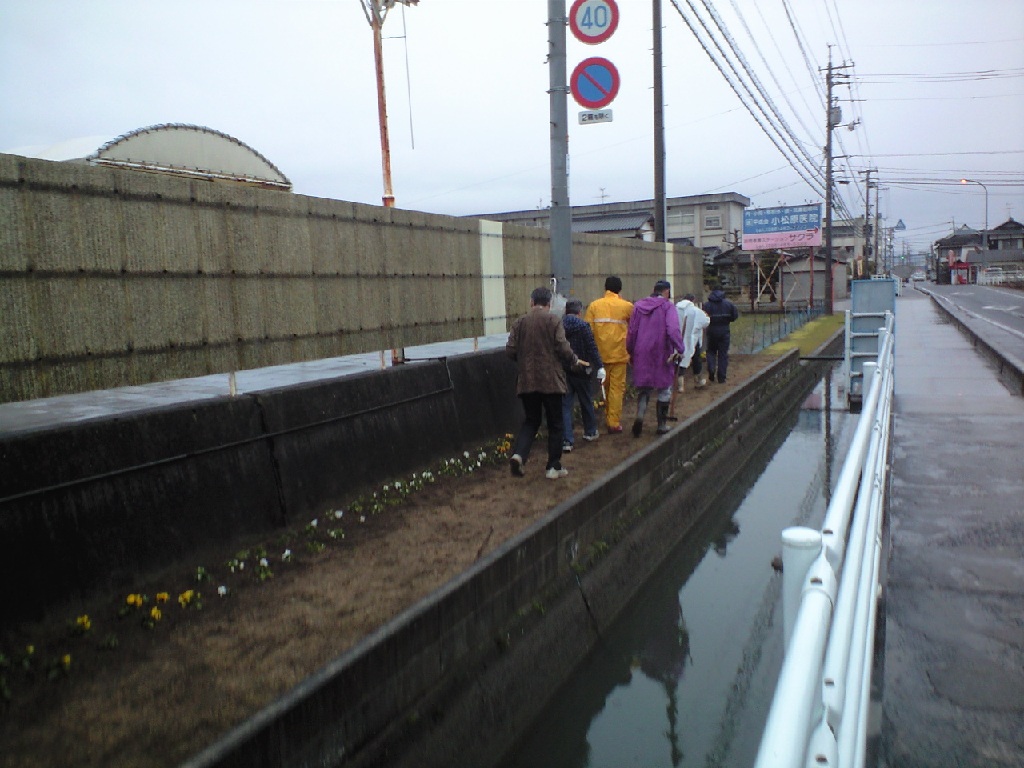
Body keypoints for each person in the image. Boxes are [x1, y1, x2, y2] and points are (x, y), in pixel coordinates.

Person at [506, 286, 589, 480]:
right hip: (551, 381)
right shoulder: (553, 321)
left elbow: (510, 351)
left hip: (527, 381)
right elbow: (562, 347)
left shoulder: (520, 322)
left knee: (531, 420)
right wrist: (574, 360)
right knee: (556, 423)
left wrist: (524, 360)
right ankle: (553, 466)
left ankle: (519, 455)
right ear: (549, 304)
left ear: (531, 302)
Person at [626, 280, 685, 436]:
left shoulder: (638, 306)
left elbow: (632, 331)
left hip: (641, 351)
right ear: (666, 291)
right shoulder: (667, 306)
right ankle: (661, 424)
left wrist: (631, 350)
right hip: (661, 351)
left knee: (644, 387)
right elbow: (673, 329)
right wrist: (680, 348)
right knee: (664, 387)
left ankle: (640, 415)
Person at [584, 276, 633, 434]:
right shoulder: (627, 307)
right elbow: (634, 330)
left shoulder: (594, 306)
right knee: (616, 389)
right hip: (620, 355)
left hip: (600, 356)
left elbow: (588, 332)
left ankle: (606, 416)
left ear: (605, 288)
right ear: (620, 289)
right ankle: (613, 422)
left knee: (604, 387)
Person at [561, 298, 604, 452]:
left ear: (566, 311)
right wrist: (599, 366)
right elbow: (592, 348)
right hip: (582, 370)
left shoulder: (559, 325)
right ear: (579, 312)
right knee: (586, 401)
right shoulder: (583, 326)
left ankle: (567, 440)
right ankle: (590, 432)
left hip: (564, 370)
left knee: (565, 406)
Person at [702, 283, 739, 384]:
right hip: (724, 331)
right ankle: (722, 378)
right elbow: (734, 316)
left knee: (711, 351)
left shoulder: (706, 305)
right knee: (723, 355)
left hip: (711, 330)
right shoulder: (729, 304)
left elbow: (702, 318)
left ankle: (711, 368)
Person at [675, 293, 710, 392]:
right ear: (693, 300)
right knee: (696, 358)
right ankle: (698, 380)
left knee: (680, 359)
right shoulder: (696, 310)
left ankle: (680, 385)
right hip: (693, 338)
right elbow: (705, 322)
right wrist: (707, 317)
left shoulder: (675, 309)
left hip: (678, 338)